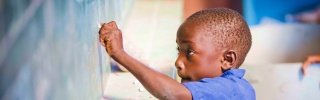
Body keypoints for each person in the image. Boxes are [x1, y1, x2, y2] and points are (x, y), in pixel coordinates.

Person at [99, 8, 255, 100]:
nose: (178, 62)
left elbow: (173, 94)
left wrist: (119, 53)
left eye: (189, 52)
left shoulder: (232, 89)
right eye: (178, 50)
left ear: (227, 59)